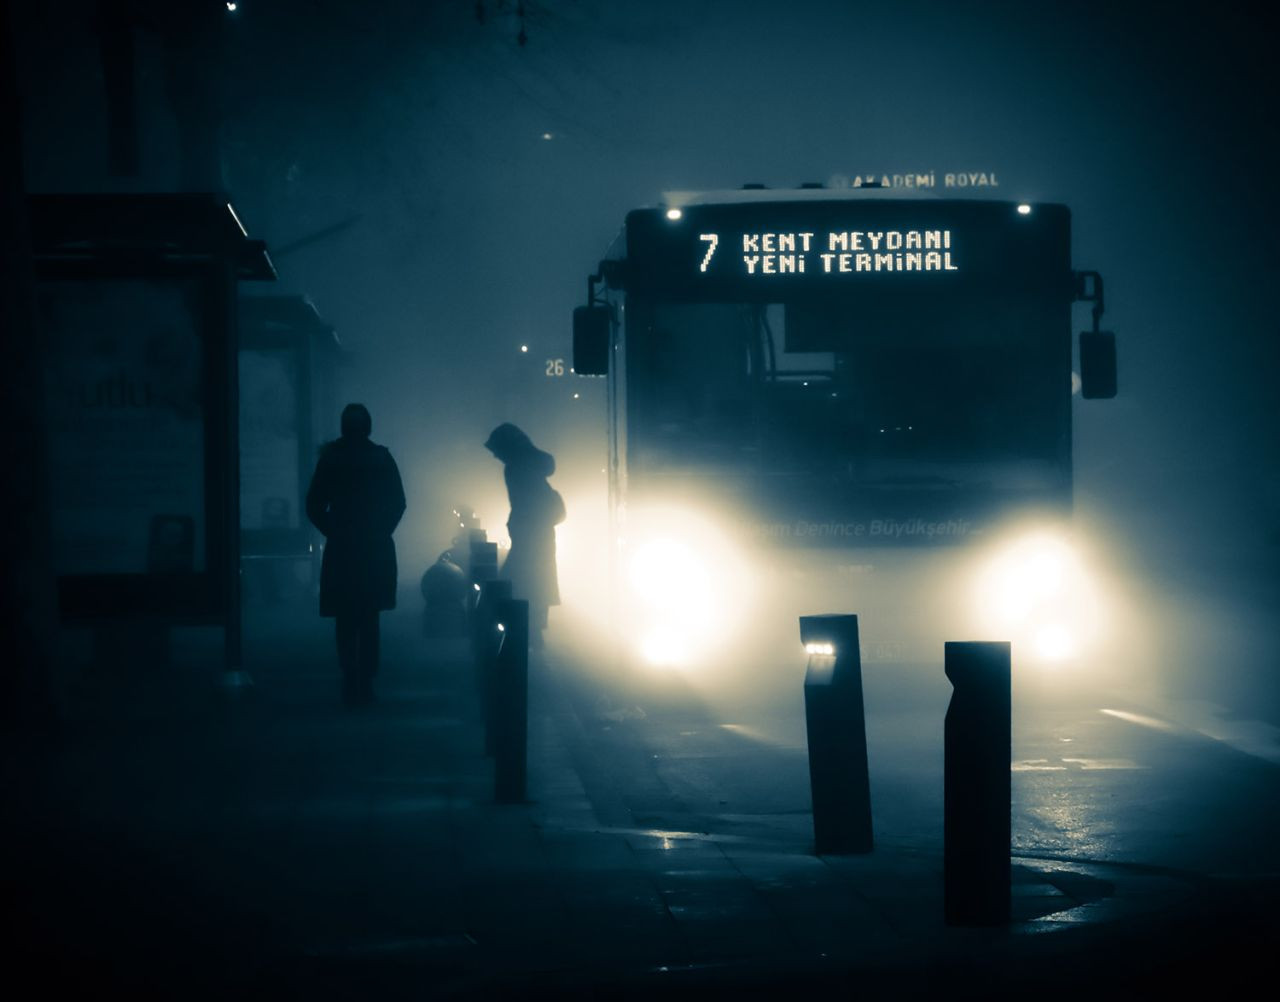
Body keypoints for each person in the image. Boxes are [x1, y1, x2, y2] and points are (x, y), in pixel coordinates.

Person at [306, 404, 406, 706]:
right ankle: (366, 678)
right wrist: (382, 530)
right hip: (375, 547)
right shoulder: (381, 458)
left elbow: (314, 504)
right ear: (368, 426)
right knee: (369, 614)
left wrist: (333, 530)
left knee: (345, 617)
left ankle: (349, 677)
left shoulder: (331, 459)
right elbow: (398, 502)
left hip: (343, 548)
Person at [483, 423, 565, 643]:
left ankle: (522, 633)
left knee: (519, 581)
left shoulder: (516, 468)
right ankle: (533, 631)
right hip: (540, 533)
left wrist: (517, 524)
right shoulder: (531, 465)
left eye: (496, 450)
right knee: (537, 580)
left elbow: (523, 503)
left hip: (529, 533)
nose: (495, 456)